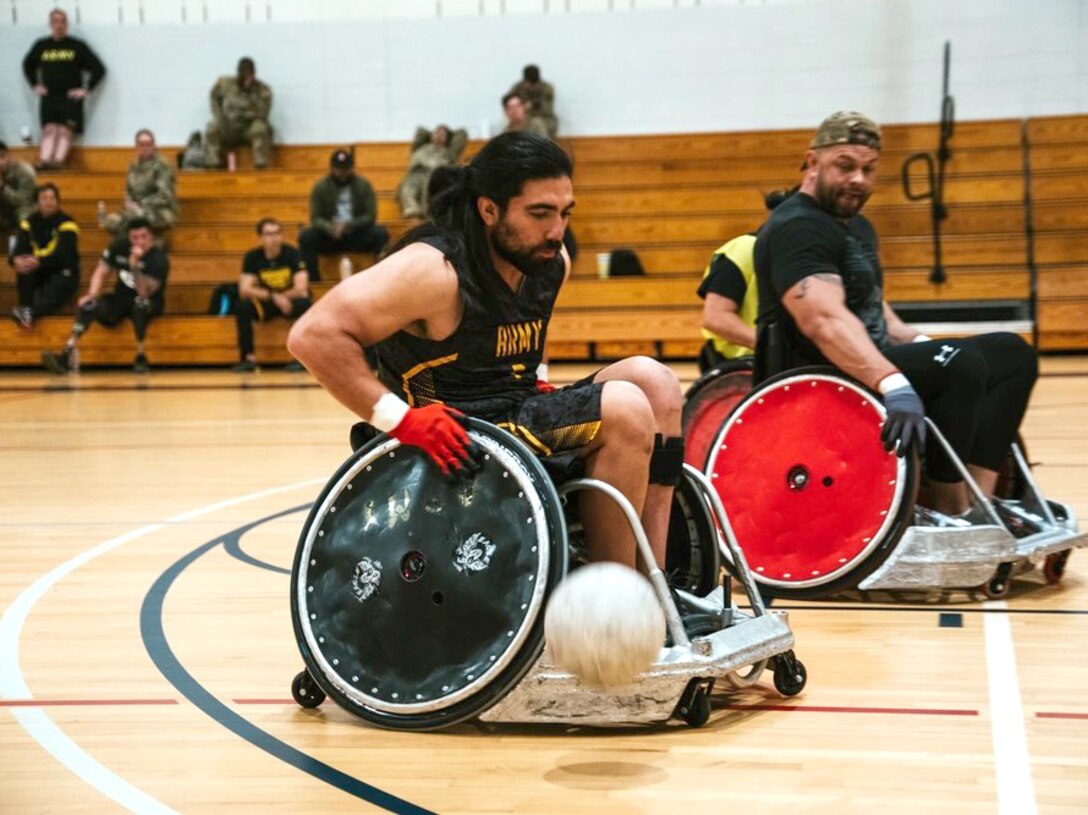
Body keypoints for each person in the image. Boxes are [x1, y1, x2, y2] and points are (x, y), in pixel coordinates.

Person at [288, 132, 685, 570]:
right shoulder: (433, 271)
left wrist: (536, 375)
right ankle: (615, 604)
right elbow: (313, 336)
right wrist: (400, 420)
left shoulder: (549, 262)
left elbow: (528, 325)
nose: (557, 231)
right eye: (539, 213)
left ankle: (656, 579)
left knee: (656, 383)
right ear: (489, 209)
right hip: (461, 437)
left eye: (564, 213)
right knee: (623, 408)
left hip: (516, 415)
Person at [754, 111, 1038, 519]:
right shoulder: (798, 227)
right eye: (845, 166)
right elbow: (823, 320)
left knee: (1011, 353)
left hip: (864, 363)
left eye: (869, 170)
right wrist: (893, 381)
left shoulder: (858, 228)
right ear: (813, 163)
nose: (859, 180)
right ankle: (951, 510)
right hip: (814, 376)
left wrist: (925, 346)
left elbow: (880, 319)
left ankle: (981, 502)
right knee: (959, 363)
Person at [42, 217, 168, 374]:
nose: (139, 242)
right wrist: (92, 294)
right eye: (134, 237)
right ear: (129, 237)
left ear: (151, 237)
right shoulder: (119, 246)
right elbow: (102, 270)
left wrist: (134, 266)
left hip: (149, 303)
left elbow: (144, 292)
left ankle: (141, 356)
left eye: (144, 237)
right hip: (121, 299)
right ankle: (67, 353)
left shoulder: (158, 258)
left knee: (140, 304)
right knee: (89, 304)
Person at [696, 186, 797, 373]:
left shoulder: (804, 256)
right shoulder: (743, 249)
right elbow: (715, 317)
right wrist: (768, 348)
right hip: (740, 367)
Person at [21, 8, 106, 171]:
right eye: (55, 21)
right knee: (49, 129)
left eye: (62, 21)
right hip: (49, 96)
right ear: (50, 24)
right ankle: (44, 161)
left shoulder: (77, 46)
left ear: (67, 24)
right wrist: (35, 85)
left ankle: (58, 163)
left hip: (70, 97)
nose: (59, 25)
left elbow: (99, 69)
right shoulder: (42, 46)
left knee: (65, 131)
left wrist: (85, 89)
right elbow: (27, 65)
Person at [232, 218, 310, 372]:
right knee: (242, 307)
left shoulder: (293, 253)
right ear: (260, 238)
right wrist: (274, 296)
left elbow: (301, 288)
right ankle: (248, 358)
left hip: (290, 300)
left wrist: (284, 297)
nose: (274, 238)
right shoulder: (252, 257)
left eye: (277, 233)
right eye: (268, 234)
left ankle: (301, 358)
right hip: (266, 303)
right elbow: (245, 290)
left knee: (305, 304)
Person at [298, 149, 389, 282]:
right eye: (338, 169)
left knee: (381, 234)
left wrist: (348, 225)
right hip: (330, 236)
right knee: (306, 237)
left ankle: (381, 278)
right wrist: (330, 227)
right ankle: (314, 282)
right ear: (332, 168)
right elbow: (315, 218)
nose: (342, 173)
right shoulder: (320, 187)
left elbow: (370, 215)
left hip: (356, 234)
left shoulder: (364, 185)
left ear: (351, 168)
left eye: (345, 169)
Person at [8, 182, 79, 329]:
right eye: (44, 198)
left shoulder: (67, 223)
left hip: (63, 272)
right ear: (37, 202)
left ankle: (29, 312)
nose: (49, 202)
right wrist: (15, 260)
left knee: (54, 288)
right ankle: (26, 310)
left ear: (58, 202)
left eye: (52, 198)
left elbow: (63, 255)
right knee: (24, 267)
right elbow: (18, 249)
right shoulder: (28, 223)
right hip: (39, 271)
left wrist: (39, 261)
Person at [99, 129, 178, 237]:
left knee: (137, 220)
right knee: (111, 221)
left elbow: (164, 196)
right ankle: (127, 248)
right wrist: (130, 203)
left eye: (148, 144)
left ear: (154, 145)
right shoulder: (133, 166)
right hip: (136, 210)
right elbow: (128, 191)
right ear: (136, 147)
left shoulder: (162, 165)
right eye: (142, 144)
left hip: (160, 211)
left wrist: (141, 205)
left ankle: (150, 246)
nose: (145, 147)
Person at [205, 57, 272, 170]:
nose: (247, 79)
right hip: (229, 127)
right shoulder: (226, 84)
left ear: (254, 74)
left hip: (248, 129)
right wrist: (218, 115)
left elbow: (262, 114)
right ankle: (212, 165)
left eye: (249, 75)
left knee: (260, 127)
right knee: (212, 127)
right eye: (243, 75)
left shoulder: (263, 90)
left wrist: (245, 114)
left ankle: (260, 165)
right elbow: (213, 96)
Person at [397, 125, 468, 219]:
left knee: (429, 185)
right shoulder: (421, 149)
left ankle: (427, 214)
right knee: (407, 185)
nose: (438, 136)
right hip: (417, 175)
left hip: (436, 176)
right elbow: (420, 131)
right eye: (436, 133)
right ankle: (412, 209)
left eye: (443, 135)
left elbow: (462, 134)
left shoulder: (449, 152)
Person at [507, 64, 558, 137]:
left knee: (537, 123)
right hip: (522, 119)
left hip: (544, 118)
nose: (532, 86)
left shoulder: (547, 88)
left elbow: (547, 109)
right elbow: (508, 102)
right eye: (529, 83)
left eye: (534, 83)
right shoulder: (517, 88)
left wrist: (531, 106)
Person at [0, 141, 38, 237]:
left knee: (24, 216)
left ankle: (23, 247)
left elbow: (24, 201)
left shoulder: (24, 171)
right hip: (3, 212)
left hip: (21, 209)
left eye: (2, 157)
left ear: (8, 156)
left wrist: (3, 187)